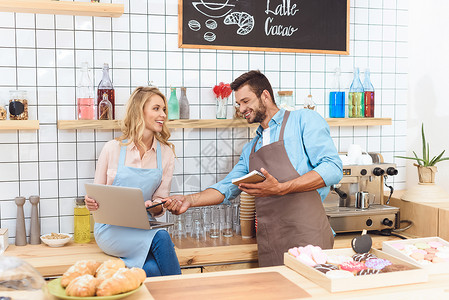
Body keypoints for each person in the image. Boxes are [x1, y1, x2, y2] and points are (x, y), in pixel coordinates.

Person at [164, 70, 343, 267]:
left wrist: (282, 188)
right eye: (239, 104)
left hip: (309, 238)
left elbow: (332, 168)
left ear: (265, 96)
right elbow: (227, 188)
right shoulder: (252, 148)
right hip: (271, 242)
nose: (241, 109)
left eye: (246, 101)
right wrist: (189, 200)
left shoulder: (304, 120)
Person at [85, 86, 181, 277]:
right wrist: (91, 202)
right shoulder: (112, 149)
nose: (162, 114)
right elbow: (95, 198)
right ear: (139, 111)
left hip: (145, 226)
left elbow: (160, 206)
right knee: (162, 236)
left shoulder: (166, 153)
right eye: (156, 108)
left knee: (151, 270)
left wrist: (154, 206)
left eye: (163, 110)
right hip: (111, 230)